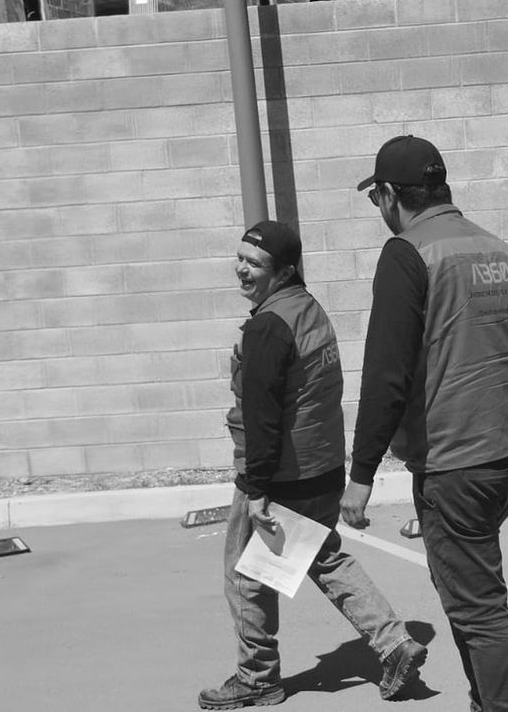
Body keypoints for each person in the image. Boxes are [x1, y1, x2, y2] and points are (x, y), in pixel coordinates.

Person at [340, 135, 508, 712]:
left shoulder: (407, 253)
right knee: (463, 586)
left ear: (390, 195)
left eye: (376, 199)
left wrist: (361, 475)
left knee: (477, 604)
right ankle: (489, 700)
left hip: (456, 462)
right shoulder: (499, 250)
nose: (379, 209)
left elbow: (385, 373)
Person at [201, 220, 426, 710]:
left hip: (282, 476)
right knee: (324, 558)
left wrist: (256, 490)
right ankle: (395, 643)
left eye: (255, 263)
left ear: (283, 271)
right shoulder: (308, 310)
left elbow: (262, 417)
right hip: (321, 469)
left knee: (245, 577)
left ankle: (257, 678)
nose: (242, 269)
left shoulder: (268, 327)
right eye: (240, 258)